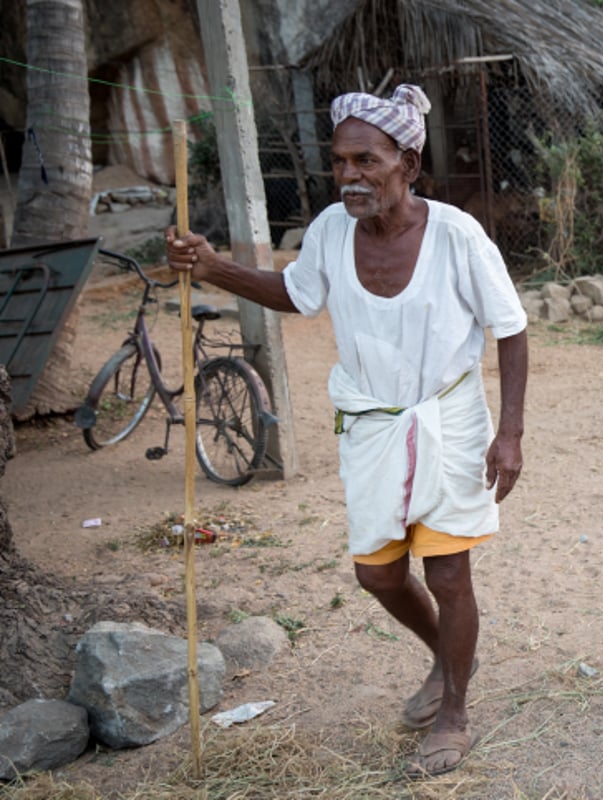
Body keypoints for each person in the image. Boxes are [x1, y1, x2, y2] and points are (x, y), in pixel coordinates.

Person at [165, 84, 528, 777]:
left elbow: (509, 330)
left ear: (408, 165)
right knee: (376, 575)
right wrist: (212, 268)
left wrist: (508, 435)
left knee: (449, 573)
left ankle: (454, 712)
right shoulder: (332, 229)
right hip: (370, 424)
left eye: (367, 160)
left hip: (448, 420)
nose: (350, 176)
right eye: (340, 162)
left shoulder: (455, 236)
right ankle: (453, 653)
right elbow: (296, 294)